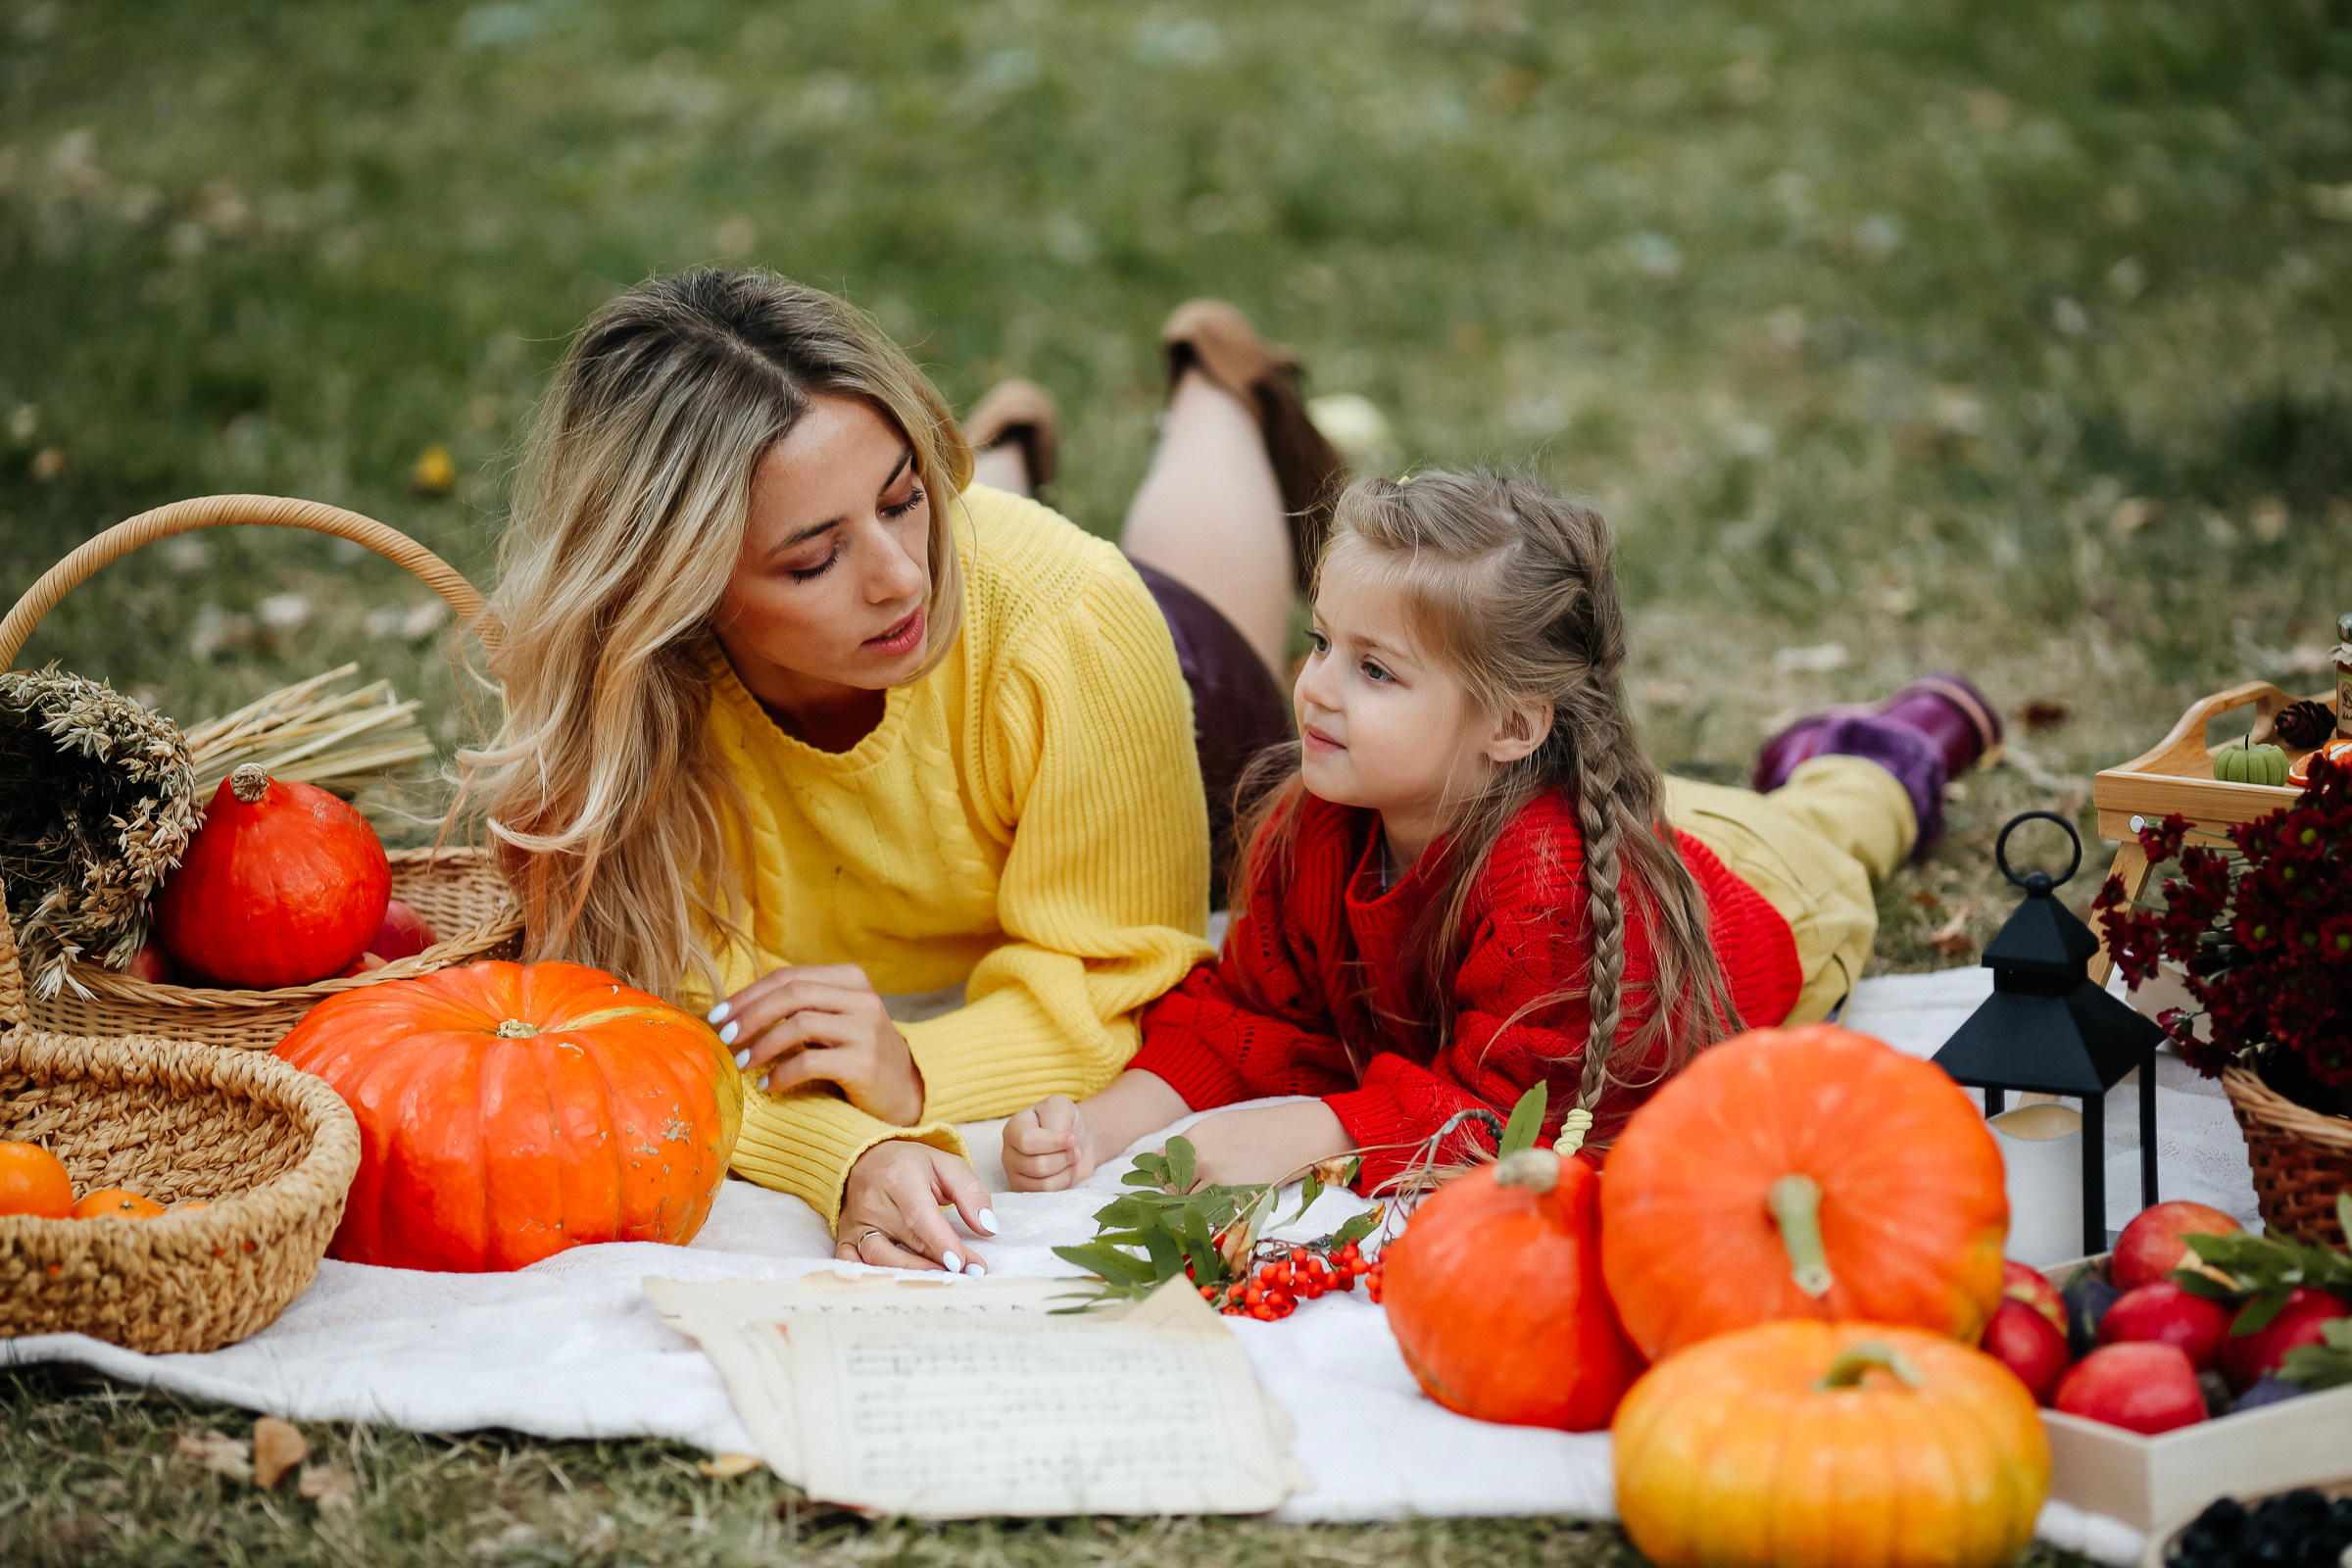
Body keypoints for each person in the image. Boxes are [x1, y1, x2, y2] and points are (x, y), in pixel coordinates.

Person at [460, 269, 1341, 1271]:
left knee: (1179, 586)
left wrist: (911, 1073)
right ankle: (993, 459)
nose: (897, 575)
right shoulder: (635, 707)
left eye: (905, 496)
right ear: (681, 588)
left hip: (1162, 691)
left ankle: (1211, 387)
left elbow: (1117, 982)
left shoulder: (1073, 620)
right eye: (811, 561)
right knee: (942, 560)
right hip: (960, 650)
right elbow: (673, 1033)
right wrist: (848, 1149)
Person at [1000, 470, 1999, 1195]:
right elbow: (1252, 1012)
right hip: (1614, 828)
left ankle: (1896, 746)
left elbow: (1519, 1122)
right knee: (1700, 807)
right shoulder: (1321, 821)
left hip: (1772, 898)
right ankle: (1817, 754)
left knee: (1834, 819)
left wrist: (1310, 1130)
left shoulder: (1555, 893)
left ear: (1513, 725)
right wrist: (1102, 1121)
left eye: (1375, 670)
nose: (1315, 687)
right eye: (1320, 643)